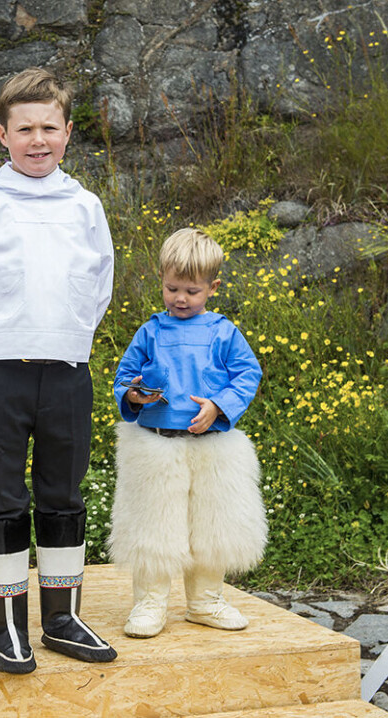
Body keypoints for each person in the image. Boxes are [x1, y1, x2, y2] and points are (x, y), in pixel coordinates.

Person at [0, 67, 117, 674]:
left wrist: (69, 338)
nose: (37, 140)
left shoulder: (85, 206)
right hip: (0, 372)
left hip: (67, 370)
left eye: (49, 127)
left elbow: (98, 287)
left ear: (68, 132)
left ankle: (62, 619)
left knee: (62, 494)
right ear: (2, 134)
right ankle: (5, 624)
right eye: (24, 129)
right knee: (1, 498)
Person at [110, 228, 268, 639]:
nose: (180, 298)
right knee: (154, 526)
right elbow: (124, 376)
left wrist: (219, 406)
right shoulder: (150, 332)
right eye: (172, 288)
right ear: (160, 278)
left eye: (192, 291)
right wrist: (136, 395)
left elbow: (247, 373)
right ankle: (150, 603)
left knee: (212, 525)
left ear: (213, 288)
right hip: (156, 445)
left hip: (212, 444)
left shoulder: (224, 332)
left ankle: (205, 601)